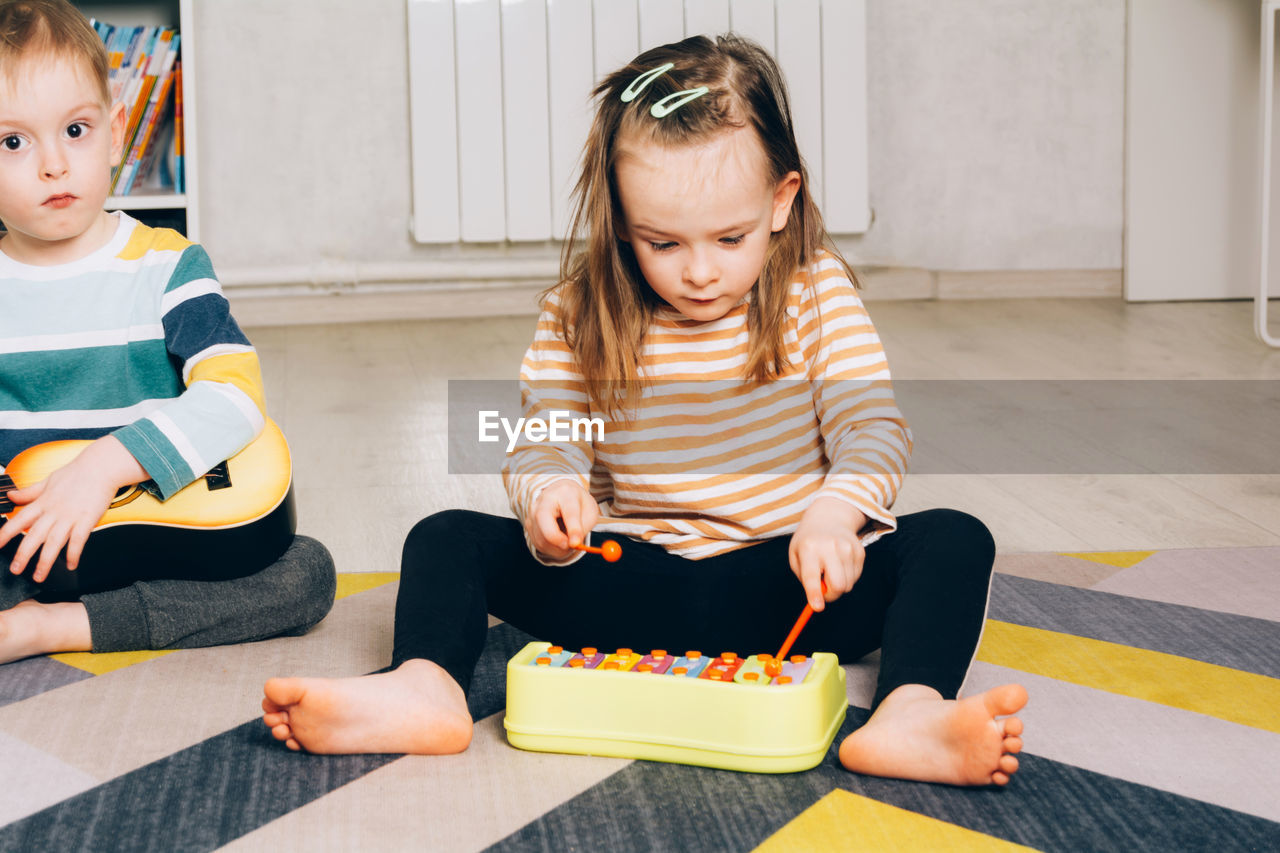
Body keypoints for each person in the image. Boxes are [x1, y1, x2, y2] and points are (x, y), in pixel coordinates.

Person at [262, 34, 1027, 787]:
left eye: (730, 237)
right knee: (443, 536)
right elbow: (546, 438)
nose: (699, 271)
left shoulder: (815, 292)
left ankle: (910, 712)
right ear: (624, 221)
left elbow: (873, 429)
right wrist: (552, 496)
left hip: (789, 585)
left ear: (781, 200)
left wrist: (835, 513)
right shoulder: (577, 311)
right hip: (636, 582)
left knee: (954, 539)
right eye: (662, 243)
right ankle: (426, 688)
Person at [0, 0, 334, 663]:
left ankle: (54, 628)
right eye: (13, 141)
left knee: (305, 573)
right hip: (29, 549)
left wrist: (103, 467)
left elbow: (236, 400)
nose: (53, 165)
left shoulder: (168, 265)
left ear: (117, 131)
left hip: (157, 545)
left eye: (75, 129)